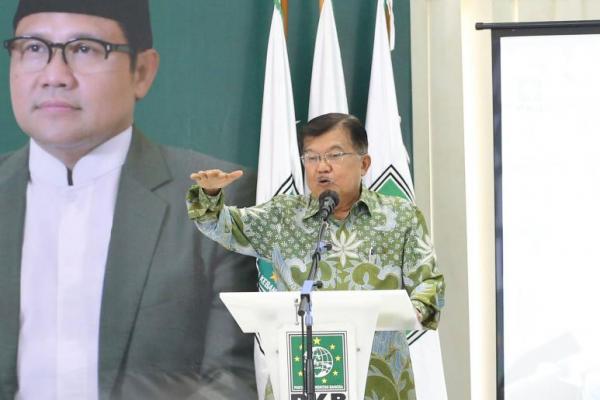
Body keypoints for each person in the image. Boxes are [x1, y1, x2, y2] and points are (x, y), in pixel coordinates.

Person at [0, 1, 258, 399]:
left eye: (84, 49)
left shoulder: (220, 201)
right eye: (34, 48)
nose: (54, 76)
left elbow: (236, 380)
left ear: (142, 72)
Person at [187, 112, 446, 400]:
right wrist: (210, 194)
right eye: (311, 157)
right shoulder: (282, 217)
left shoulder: (400, 217)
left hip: (376, 382)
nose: (322, 167)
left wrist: (416, 310)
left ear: (364, 164)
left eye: (334, 155)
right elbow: (220, 226)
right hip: (297, 381)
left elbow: (429, 284)